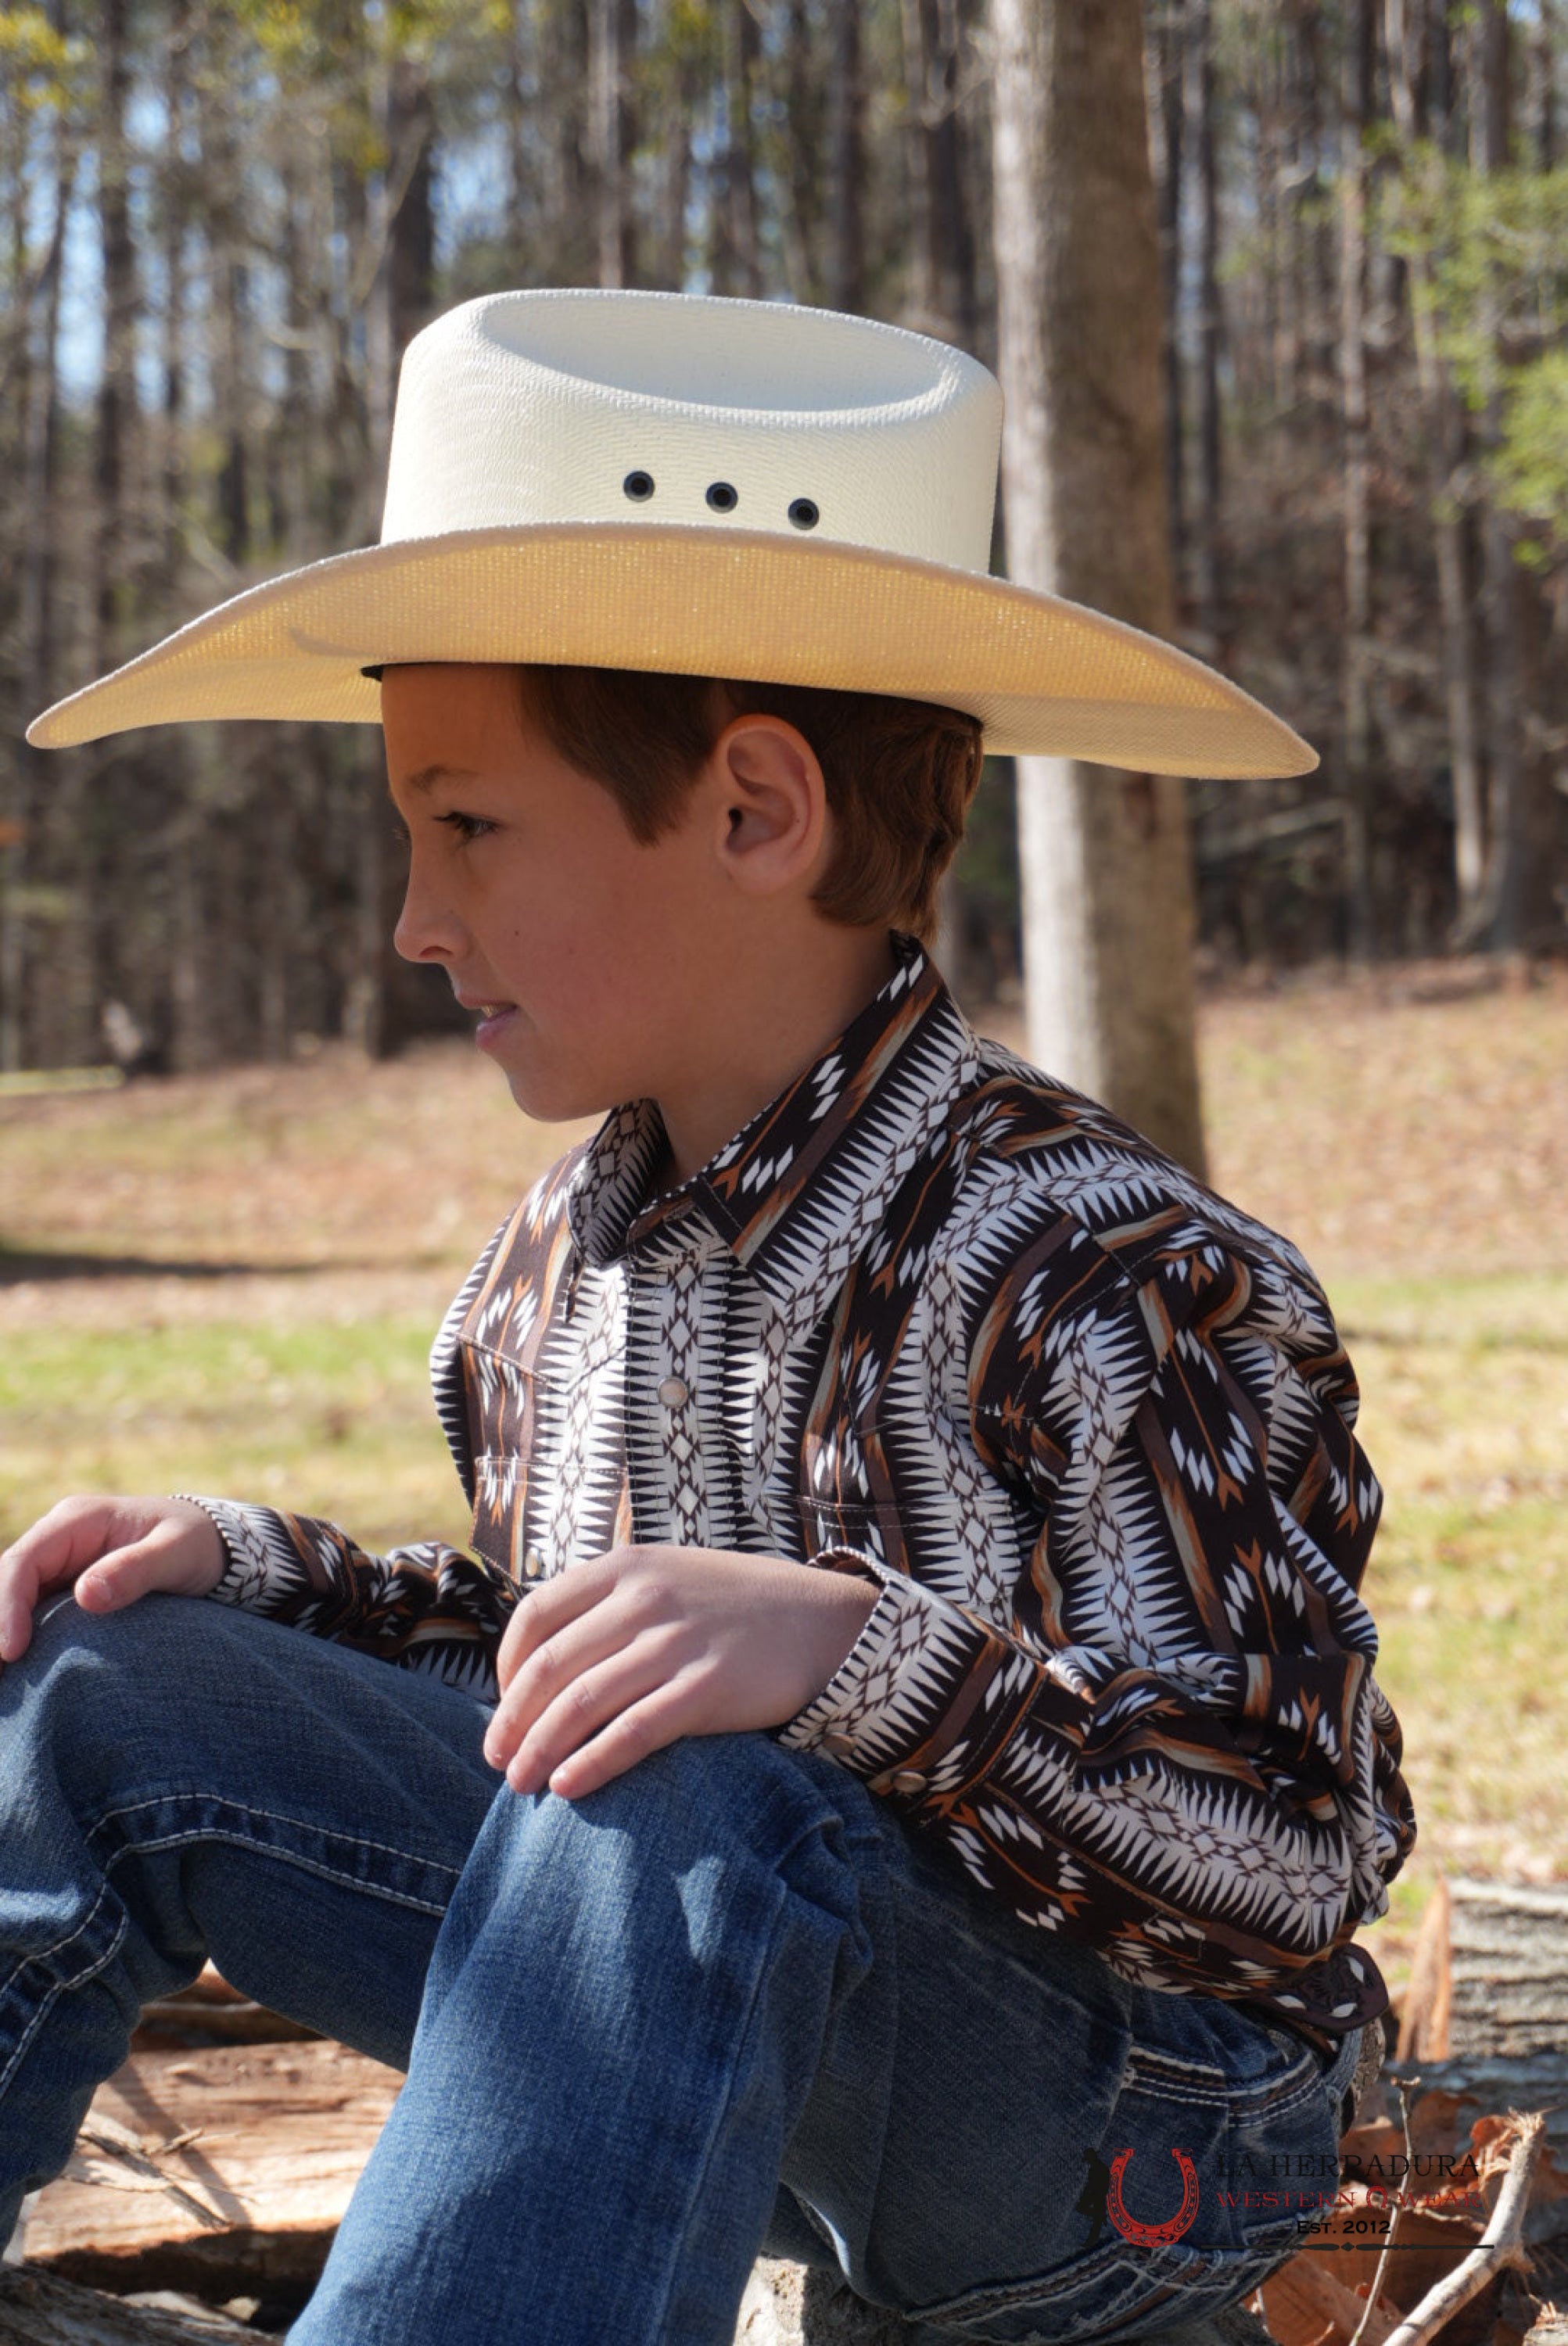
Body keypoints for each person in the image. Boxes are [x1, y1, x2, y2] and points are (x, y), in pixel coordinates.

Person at [1, 289, 1415, 2346]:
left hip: (1136, 2122)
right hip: (727, 1976)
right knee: (99, 1690)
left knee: (685, 1792)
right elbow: (569, 1681)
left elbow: (1294, 1847)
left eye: (466, 823)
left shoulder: (1104, 1270)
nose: (415, 914)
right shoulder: (551, 1269)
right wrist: (271, 1583)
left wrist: (859, 1663)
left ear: (756, 811)